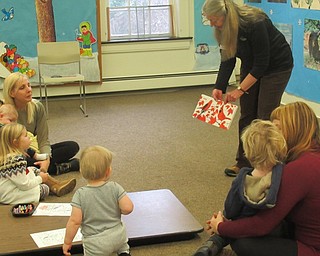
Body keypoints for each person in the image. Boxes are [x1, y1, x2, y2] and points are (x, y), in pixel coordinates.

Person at [207, 102, 320, 256]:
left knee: (243, 242)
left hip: (312, 249)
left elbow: (263, 224)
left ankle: (220, 239)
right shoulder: (310, 157)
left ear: (295, 130)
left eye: (278, 128)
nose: (274, 135)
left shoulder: (300, 168)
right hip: (301, 232)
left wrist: (221, 227)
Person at [201, 0, 293, 177]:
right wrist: (219, 86)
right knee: (247, 114)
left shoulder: (255, 22)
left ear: (226, 15)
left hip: (276, 66)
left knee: (265, 116)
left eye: (214, 20)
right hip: (252, 65)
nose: (212, 24)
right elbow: (227, 59)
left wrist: (239, 90)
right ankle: (243, 162)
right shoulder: (222, 30)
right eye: (209, 20)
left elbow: (262, 63)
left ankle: (267, 165)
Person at [193, 119, 287, 256]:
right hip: (274, 230)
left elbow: (231, 210)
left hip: (244, 230)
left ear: (248, 152)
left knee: (230, 223)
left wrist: (222, 220)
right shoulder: (283, 173)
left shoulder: (242, 179)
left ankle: (211, 246)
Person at [2, 72, 80, 176]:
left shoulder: (37, 107)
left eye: (29, 85)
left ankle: (45, 168)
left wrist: (46, 158)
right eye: (22, 88)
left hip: (34, 151)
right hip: (13, 155)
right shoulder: (3, 112)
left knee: (72, 146)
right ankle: (58, 168)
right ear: (12, 93)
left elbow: (43, 140)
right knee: (24, 163)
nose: (29, 90)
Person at [63, 145, 134, 256]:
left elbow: (75, 221)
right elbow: (128, 208)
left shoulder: (80, 194)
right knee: (123, 248)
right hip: (119, 236)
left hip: (95, 243)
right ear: (108, 171)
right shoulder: (115, 187)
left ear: (81, 171)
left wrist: (67, 242)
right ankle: (124, 253)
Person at [0, 123, 77, 204]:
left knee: (33, 169)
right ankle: (54, 187)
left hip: (12, 188)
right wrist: (40, 178)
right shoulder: (15, 161)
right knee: (44, 189)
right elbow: (24, 185)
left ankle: (56, 185)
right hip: (9, 195)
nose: (29, 137)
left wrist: (46, 158)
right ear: (15, 142)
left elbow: (36, 156)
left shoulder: (11, 156)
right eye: (26, 136)